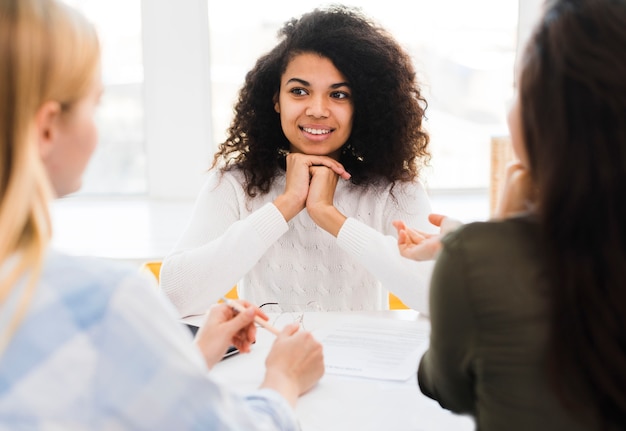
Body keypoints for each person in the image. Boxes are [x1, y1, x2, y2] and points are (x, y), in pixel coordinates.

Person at [0, 0, 324, 429]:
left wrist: (188, 359)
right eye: (94, 105)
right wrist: (282, 377)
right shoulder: (101, 301)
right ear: (46, 129)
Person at [400, 0, 626, 429]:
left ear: (554, 114)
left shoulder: (477, 258)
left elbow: (445, 388)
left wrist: (497, 231)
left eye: (518, 88)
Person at [160, 4, 435, 317]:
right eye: (299, 91)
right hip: (268, 364)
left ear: (363, 106)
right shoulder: (236, 184)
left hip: (361, 362)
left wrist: (329, 216)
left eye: (339, 95)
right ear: (276, 99)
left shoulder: (394, 189)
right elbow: (174, 296)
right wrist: (286, 204)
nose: (317, 109)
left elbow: (440, 298)